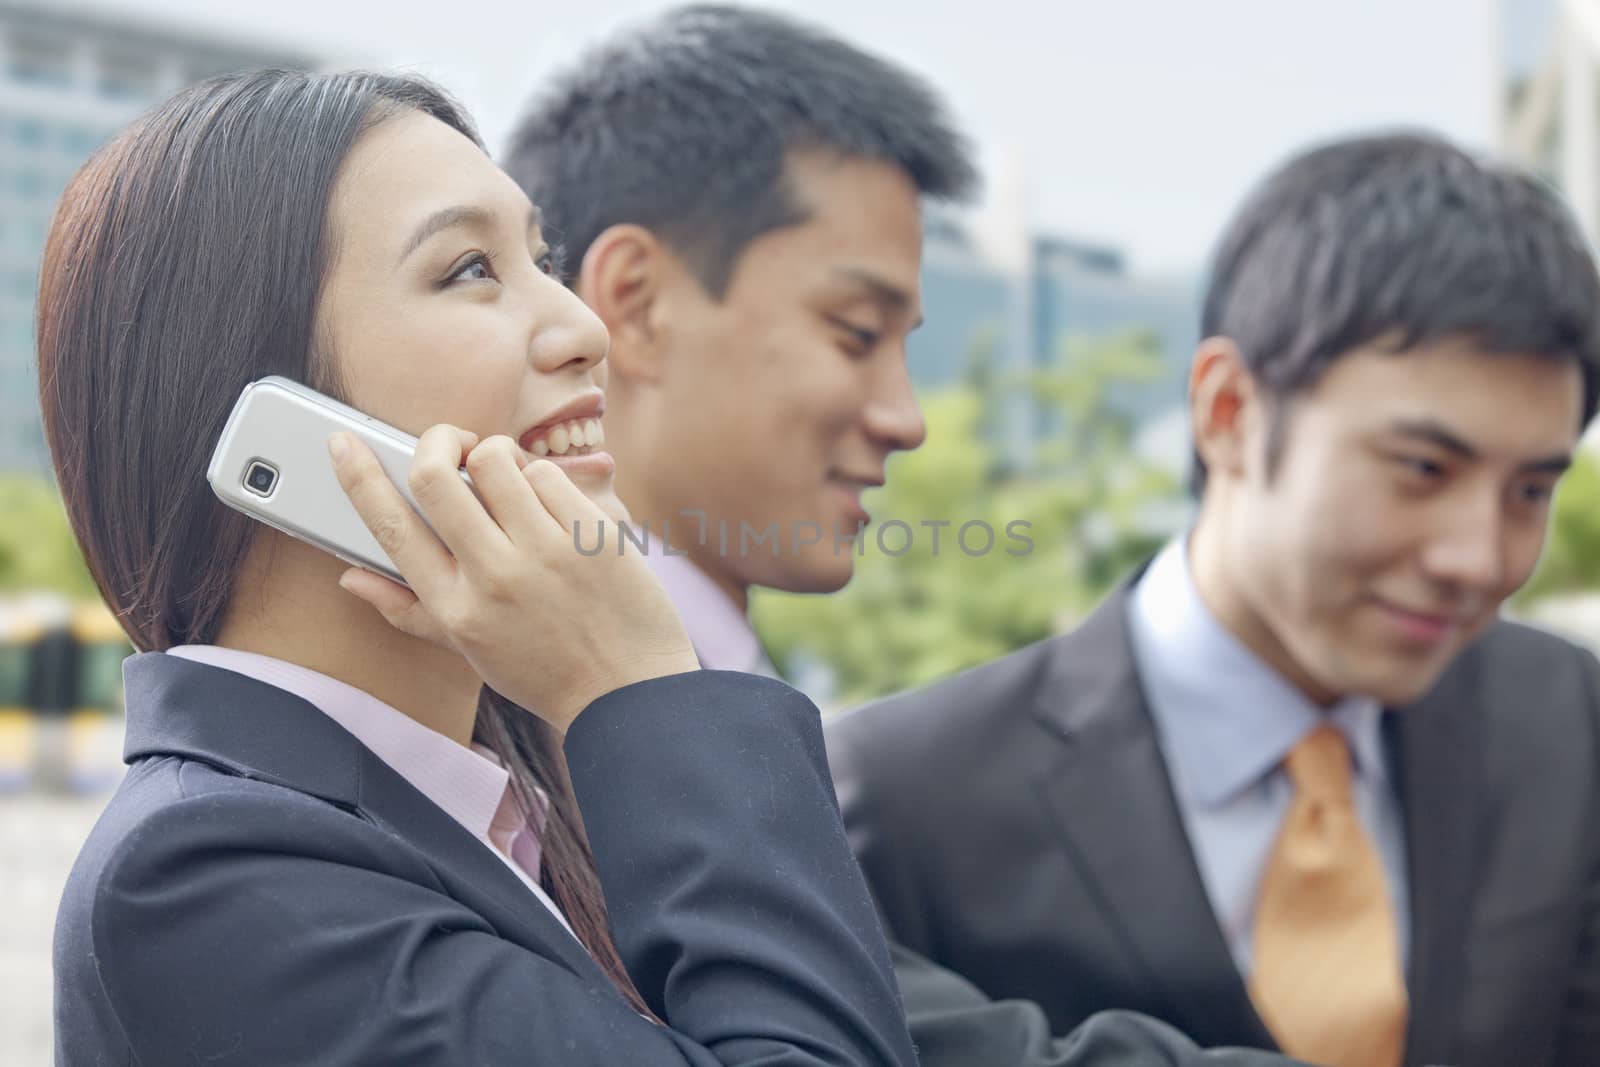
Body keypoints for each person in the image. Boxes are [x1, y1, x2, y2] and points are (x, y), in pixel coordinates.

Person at [42, 68, 925, 1066]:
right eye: (470, 269)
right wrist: (642, 683)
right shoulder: (205, 877)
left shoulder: (533, 804)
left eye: (542, 259)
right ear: (267, 410)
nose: (583, 328)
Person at [505, 7, 1307, 1066]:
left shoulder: (707, 703)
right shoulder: (539, 724)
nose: (905, 415)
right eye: (855, 333)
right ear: (635, 303)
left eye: (903, 346)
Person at [827, 130, 1600, 1067]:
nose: (1478, 557)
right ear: (1228, 411)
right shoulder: (903, 798)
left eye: (1529, 490)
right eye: (1422, 468)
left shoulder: (1563, 716)